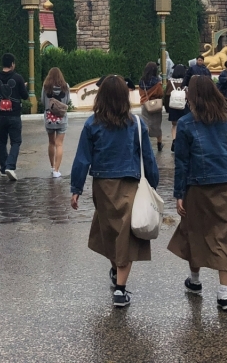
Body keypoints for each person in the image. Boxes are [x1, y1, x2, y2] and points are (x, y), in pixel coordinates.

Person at [70, 75, 159, 308]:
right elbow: (147, 157)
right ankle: (120, 289)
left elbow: (82, 159)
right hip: (130, 184)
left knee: (110, 231)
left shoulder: (92, 124)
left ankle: (116, 273)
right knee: (125, 236)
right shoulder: (137, 124)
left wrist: (76, 188)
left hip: (102, 185)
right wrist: (153, 182)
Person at [168, 75, 227, 312]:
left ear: (191, 97)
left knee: (196, 233)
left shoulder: (185, 123)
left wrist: (179, 193)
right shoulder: (226, 120)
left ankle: (195, 281)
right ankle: (224, 294)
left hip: (198, 186)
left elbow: (182, 162)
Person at [41, 67, 72, 177]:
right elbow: (68, 100)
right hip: (62, 118)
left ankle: (52, 166)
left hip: (49, 118)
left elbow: (42, 100)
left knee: (51, 143)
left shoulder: (45, 87)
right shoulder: (65, 86)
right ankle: (56, 170)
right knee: (59, 144)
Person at [138, 62, 166, 153]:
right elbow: (160, 93)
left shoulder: (141, 81)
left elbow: (140, 93)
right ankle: (159, 144)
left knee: (146, 124)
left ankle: (145, 144)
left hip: (145, 104)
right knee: (156, 125)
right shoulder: (157, 81)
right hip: (155, 105)